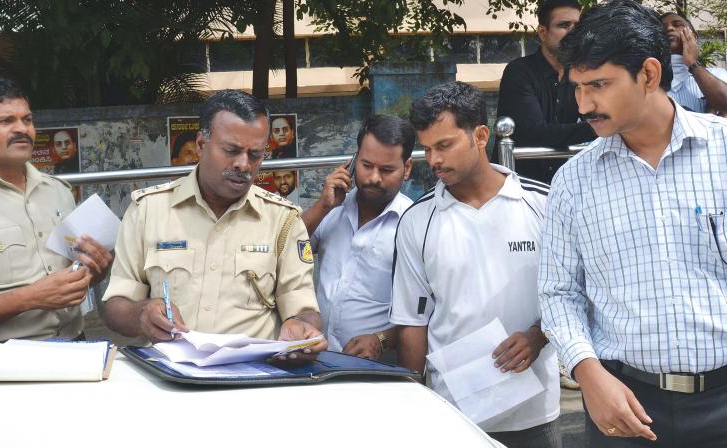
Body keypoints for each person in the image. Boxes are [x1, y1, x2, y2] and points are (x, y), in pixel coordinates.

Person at [539, 1, 727, 446]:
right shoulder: (574, 181)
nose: (584, 105)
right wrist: (588, 376)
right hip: (622, 405)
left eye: (599, 85)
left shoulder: (722, 154)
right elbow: (557, 293)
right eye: (578, 87)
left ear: (648, 74)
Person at [393, 82, 561, 448]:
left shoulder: (544, 205)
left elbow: (571, 293)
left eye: (444, 145)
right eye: (427, 148)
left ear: (481, 135)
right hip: (453, 415)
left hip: (535, 412)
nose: (433, 160)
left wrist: (539, 336)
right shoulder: (416, 222)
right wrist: (417, 401)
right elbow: (412, 324)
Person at [101, 90, 327, 357]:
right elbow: (116, 304)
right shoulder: (149, 210)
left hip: (251, 380)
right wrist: (141, 314)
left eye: (255, 155)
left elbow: (303, 308)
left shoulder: (283, 220)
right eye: (231, 151)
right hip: (170, 379)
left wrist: (301, 330)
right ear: (200, 144)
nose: (243, 164)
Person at [0, 78, 113, 342]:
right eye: (5, 121)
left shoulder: (59, 191)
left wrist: (95, 270)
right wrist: (28, 298)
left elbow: (71, 280)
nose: (22, 129)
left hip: (76, 346)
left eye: (27, 120)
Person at [301, 114, 413, 360]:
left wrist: (381, 340)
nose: (374, 177)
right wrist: (322, 206)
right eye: (366, 165)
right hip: (317, 359)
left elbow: (424, 313)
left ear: (407, 169)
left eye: (386, 170)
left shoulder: (412, 225)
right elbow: (288, 248)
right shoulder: (332, 209)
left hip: (373, 368)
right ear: (352, 163)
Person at [495, 0, 596, 181]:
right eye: (564, 25)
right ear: (543, 32)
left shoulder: (580, 74)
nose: (573, 32)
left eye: (578, 26)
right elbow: (535, 133)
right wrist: (598, 128)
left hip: (561, 183)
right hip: (519, 186)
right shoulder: (519, 71)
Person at [661, 12, 727, 115]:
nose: (669, 28)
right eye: (662, 28)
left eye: (677, 25)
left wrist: (692, 64)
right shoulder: (649, 80)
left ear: (694, 36)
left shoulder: (718, 75)